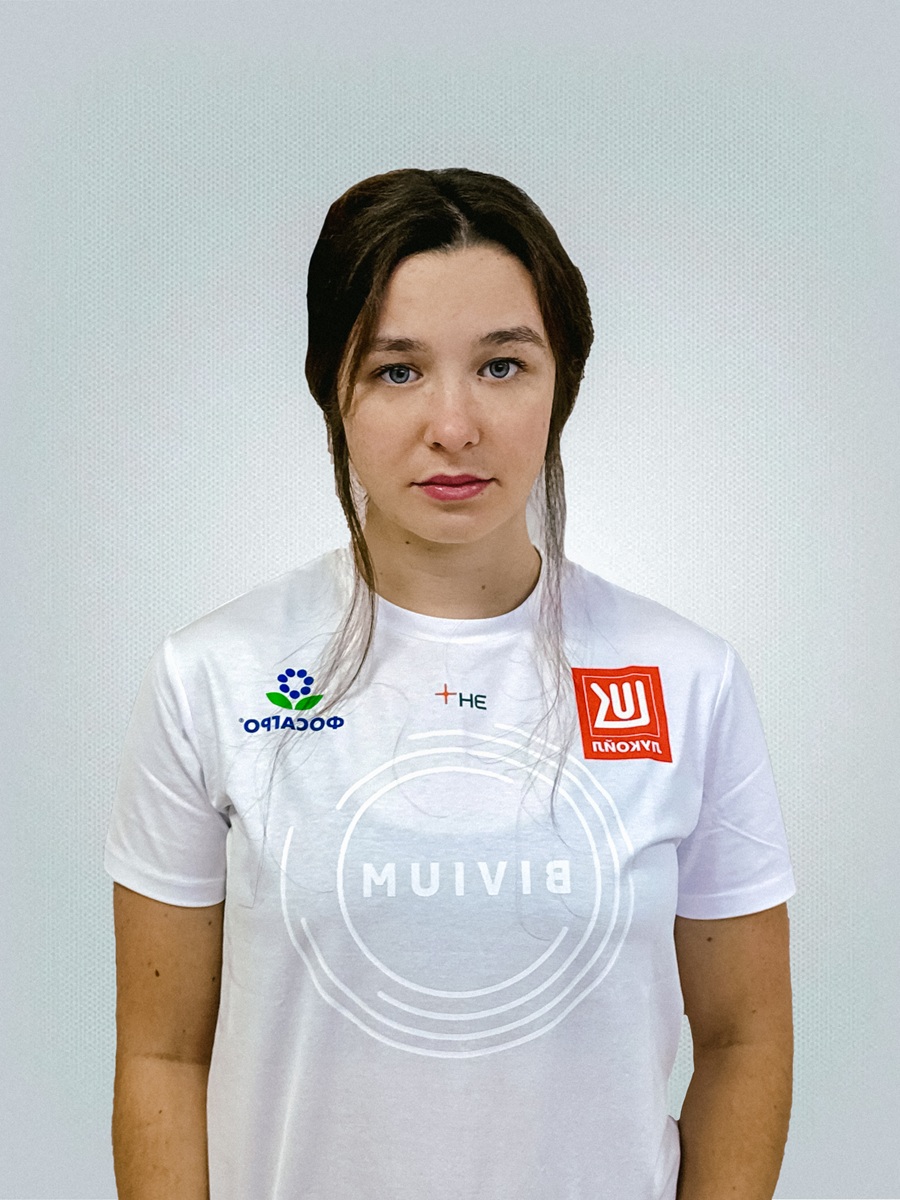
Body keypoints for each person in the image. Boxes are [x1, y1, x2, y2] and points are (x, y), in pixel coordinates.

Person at [107, 167, 795, 1200]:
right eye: (397, 371)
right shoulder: (212, 676)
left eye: (502, 365)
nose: (455, 425)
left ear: (562, 381)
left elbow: (744, 1039)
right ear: (331, 389)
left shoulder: (687, 679)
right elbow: (163, 1054)